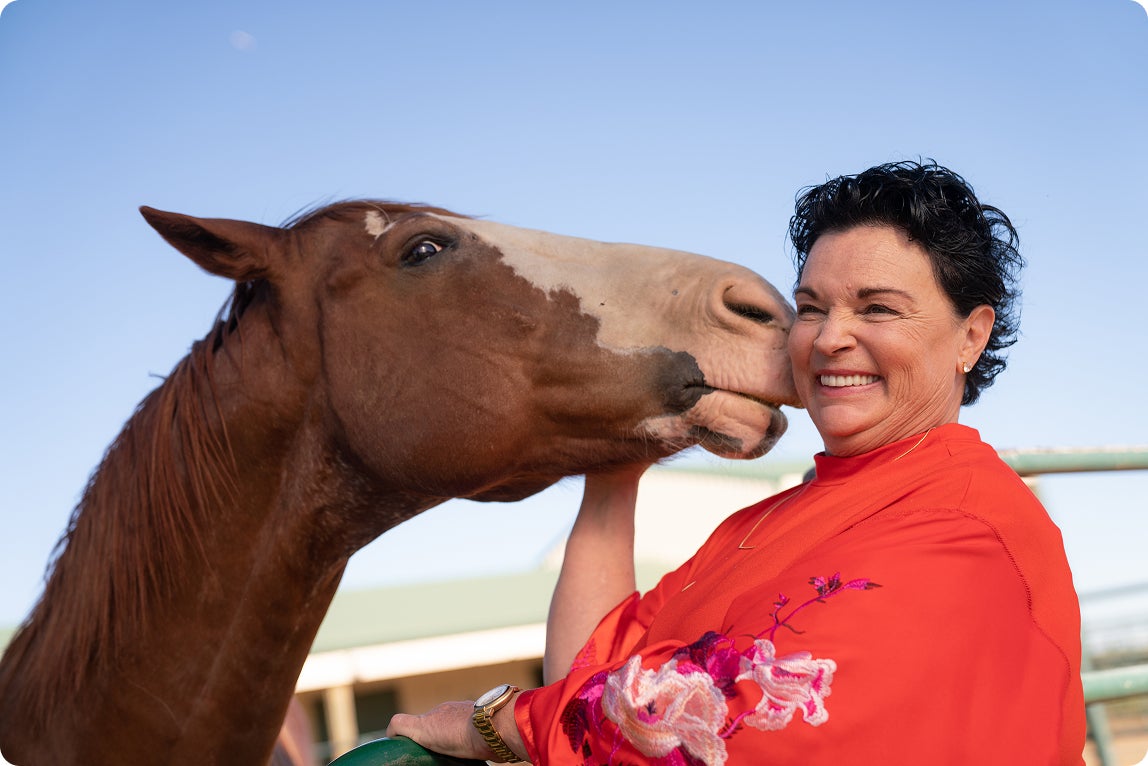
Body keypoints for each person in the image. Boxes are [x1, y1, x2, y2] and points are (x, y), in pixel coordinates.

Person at [386, 160, 1085, 764]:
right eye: (811, 307)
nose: (830, 338)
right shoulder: (768, 521)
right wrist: (615, 474)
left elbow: (733, 719)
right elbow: (591, 676)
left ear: (971, 335)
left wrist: (495, 724)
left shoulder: (969, 526)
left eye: (877, 308)